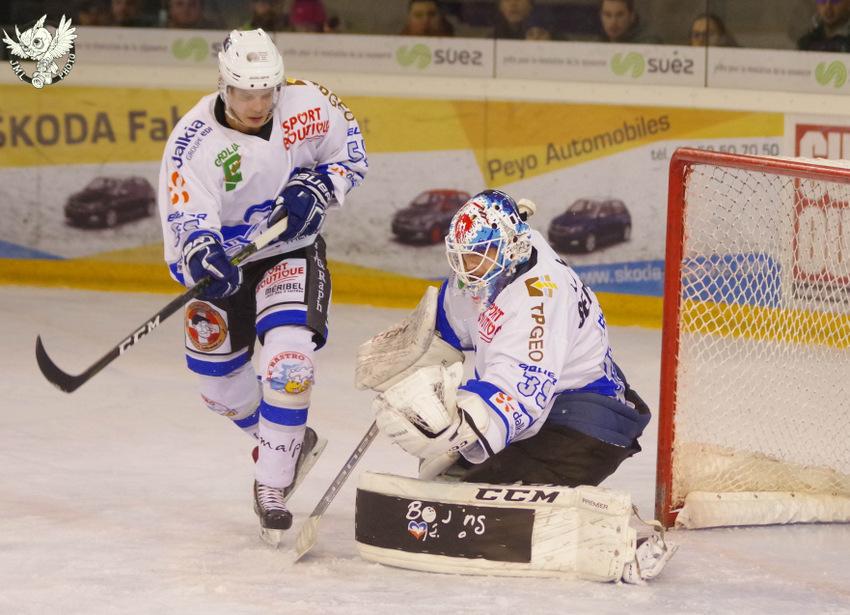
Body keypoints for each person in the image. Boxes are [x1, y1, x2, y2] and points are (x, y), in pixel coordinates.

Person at [156, 28, 367, 541]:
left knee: (290, 365)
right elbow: (186, 223)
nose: (257, 104)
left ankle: (272, 483)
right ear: (223, 86)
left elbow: (351, 155)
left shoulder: (309, 103)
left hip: (290, 251)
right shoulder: (192, 144)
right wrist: (203, 256)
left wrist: (319, 186)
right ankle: (289, 440)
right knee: (219, 389)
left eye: (266, 92)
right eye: (244, 93)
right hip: (228, 264)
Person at [371, 189, 650, 489]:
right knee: (452, 473)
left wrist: (457, 425)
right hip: (551, 410)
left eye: (477, 255)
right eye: (461, 256)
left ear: (511, 246)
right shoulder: (508, 258)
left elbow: (519, 393)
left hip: (584, 427)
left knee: (475, 490)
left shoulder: (538, 301)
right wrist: (416, 348)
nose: (467, 267)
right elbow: (456, 317)